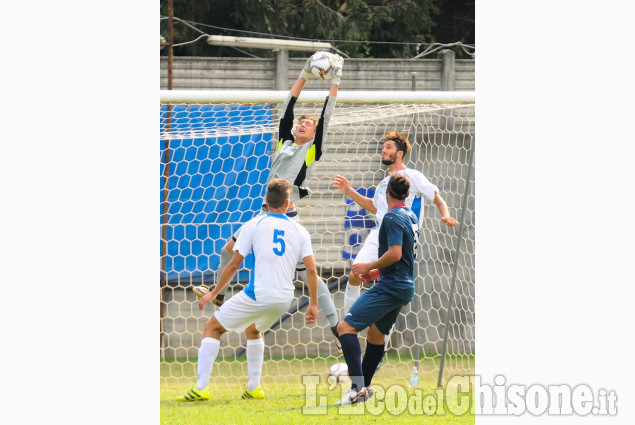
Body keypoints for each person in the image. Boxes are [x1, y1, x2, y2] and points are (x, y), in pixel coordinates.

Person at [193, 51, 345, 353]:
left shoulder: (312, 152)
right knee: (229, 248)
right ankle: (219, 295)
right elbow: (288, 110)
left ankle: (336, 327)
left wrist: (334, 82)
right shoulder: (285, 144)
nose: (302, 125)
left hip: (288, 218)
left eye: (308, 124)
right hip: (264, 214)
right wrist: (304, 73)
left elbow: (327, 116)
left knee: (311, 277)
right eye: (301, 123)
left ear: (315, 134)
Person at [177, 179, 319, 402]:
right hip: (284, 298)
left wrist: (214, 293)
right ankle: (254, 388)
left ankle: (201, 388)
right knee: (253, 330)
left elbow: (234, 264)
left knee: (212, 327)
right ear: (288, 202)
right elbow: (311, 270)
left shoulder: (253, 224)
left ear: (265, 200)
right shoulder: (300, 230)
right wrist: (313, 303)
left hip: (259, 294)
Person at [332, 130, 458, 314]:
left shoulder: (413, 176)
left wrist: (446, 214)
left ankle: (381, 336)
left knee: (392, 289)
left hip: (402, 236)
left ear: (400, 153)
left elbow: (437, 198)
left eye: (388, 147)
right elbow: (374, 207)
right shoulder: (384, 183)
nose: (383, 150)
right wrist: (348, 190)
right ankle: (347, 325)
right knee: (355, 274)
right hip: (379, 232)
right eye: (383, 147)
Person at [334, 173, 419, 405]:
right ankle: (364, 389)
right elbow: (405, 257)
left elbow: (395, 253)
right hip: (402, 284)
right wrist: (376, 272)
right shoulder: (410, 215)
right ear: (408, 195)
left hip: (391, 286)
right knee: (375, 334)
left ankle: (356, 388)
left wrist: (369, 264)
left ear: (385, 193)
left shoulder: (390, 218)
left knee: (345, 328)